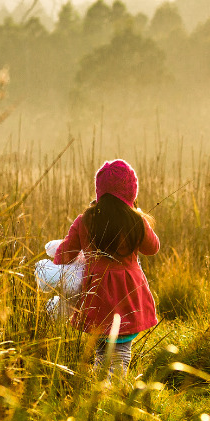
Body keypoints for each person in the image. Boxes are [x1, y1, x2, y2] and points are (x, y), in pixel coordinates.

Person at [53, 159, 159, 376]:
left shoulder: (86, 220)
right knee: (121, 348)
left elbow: (64, 255)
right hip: (128, 295)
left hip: (97, 295)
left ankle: (101, 385)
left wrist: (55, 253)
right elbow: (153, 248)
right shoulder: (135, 221)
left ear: (99, 191)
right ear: (131, 192)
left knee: (101, 346)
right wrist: (140, 217)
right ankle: (113, 387)